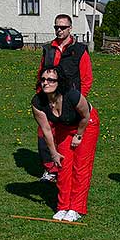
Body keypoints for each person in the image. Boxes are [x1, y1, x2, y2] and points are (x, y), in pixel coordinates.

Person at [31, 66, 100, 222]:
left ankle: (76, 208)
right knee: (63, 164)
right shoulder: (38, 102)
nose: (45, 83)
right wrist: (53, 153)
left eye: (50, 80)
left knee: (80, 166)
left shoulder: (72, 95)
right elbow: (46, 130)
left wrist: (79, 135)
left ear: (59, 82)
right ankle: (63, 206)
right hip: (64, 126)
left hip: (86, 125)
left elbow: (85, 115)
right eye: (42, 79)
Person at [37, 14, 93, 183]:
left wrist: (78, 101)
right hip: (49, 100)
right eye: (56, 27)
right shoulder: (48, 49)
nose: (59, 30)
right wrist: (40, 93)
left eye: (62, 27)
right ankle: (50, 169)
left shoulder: (79, 50)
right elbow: (41, 73)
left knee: (66, 137)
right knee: (44, 133)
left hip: (70, 102)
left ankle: (67, 170)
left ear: (70, 28)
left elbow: (86, 78)